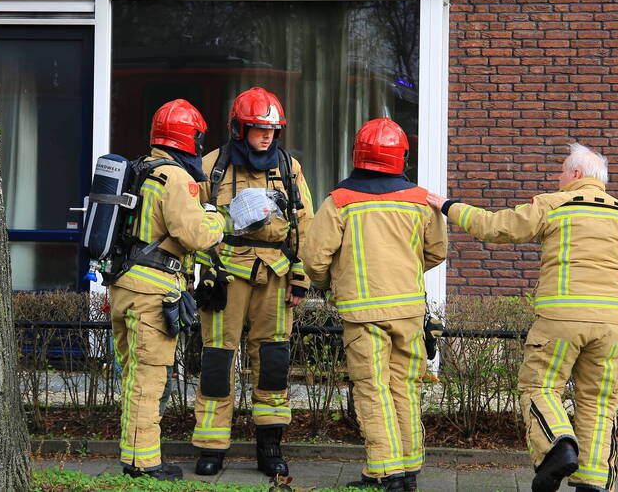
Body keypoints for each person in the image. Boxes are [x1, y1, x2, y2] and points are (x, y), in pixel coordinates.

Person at [426, 143, 618, 492]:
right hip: (612, 325)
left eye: (562, 171)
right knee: (599, 404)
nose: (558, 177)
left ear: (576, 174)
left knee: (541, 386)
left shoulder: (552, 204)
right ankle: (592, 484)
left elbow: (495, 227)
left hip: (560, 319)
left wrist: (447, 205)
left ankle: (558, 448)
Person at [301, 118, 448, 492]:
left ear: (358, 155)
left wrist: (331, 283)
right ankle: (409, 470)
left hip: (363, 314)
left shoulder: (340, 201)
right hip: (410, 312)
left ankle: (386, 472)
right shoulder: (421, 200)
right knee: (404, 387)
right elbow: (436, 252)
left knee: (372, 388)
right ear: (402, 157)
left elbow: (315, 259)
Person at [191, 86, 314, 478]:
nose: (266, 136)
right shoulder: (212, 165)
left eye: (272, 130)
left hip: (275, 275)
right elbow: (193, 223)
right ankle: (211, 446)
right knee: (217, 359)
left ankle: (270, 445)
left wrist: (301, 275)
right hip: (225, 273)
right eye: (258, 128)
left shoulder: (289, 168)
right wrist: (202, 271)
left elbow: (305, 225)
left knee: (273, 361)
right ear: (238, 128)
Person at [109, 99, 226, 480]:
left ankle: (132, 455)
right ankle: (143, 464)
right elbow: (194, 235)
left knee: (133, 377)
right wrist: (218, 219)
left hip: (124, 285)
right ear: (191, 138)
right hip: (152, 293)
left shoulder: (142, 168)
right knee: (149, 379)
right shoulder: (176, 178)